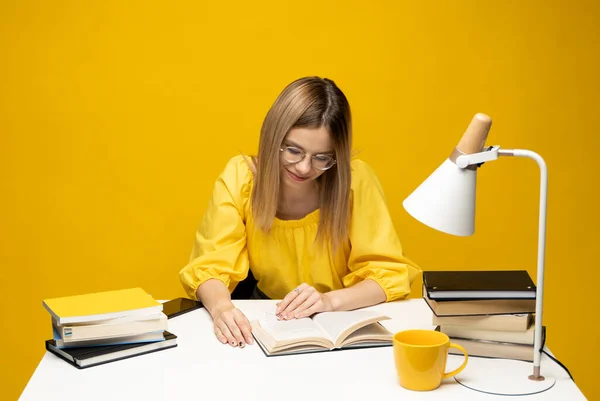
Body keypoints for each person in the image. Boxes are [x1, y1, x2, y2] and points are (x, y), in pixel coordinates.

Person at [179, 76, 420, 348]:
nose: (304, 168)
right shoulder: (241, 177)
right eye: (293, 150)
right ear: (272, 138)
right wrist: (222, 308)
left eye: (322, 157)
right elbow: (209, 265)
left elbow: (387, 274)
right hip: (266, 310)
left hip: (339, 312)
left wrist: (329, 301)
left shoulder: (356, 180)